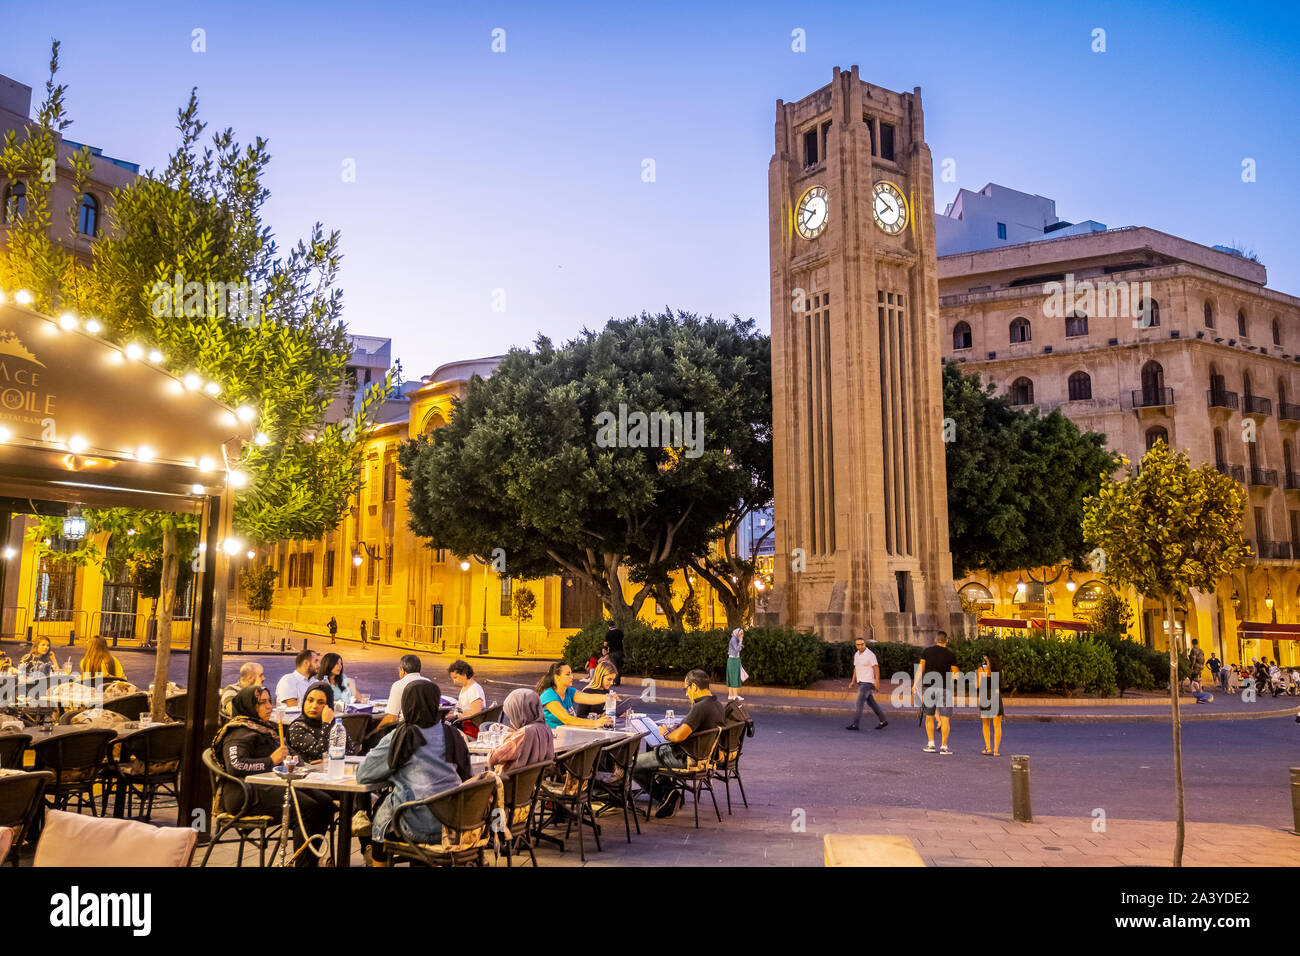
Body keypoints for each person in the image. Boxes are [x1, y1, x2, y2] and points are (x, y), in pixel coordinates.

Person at [211, 686, 334, 866]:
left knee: (325, 803)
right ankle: (302, 864)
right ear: (248, 706)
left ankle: (307, 860)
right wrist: (271, 760)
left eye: (269, 701)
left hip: (269, 786)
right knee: (308, 808)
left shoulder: (263, 728)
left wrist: (294, 760)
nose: (269, 707)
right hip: (244, 793)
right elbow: (236, 766)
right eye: (262, 703)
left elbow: (285, 757)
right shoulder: (238, 731)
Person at [356, 681, 472, 866]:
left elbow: (363, 774)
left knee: (381, 819)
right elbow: (467, 775)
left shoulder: (401, 737)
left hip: (414, 824)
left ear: (406, 705)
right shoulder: (453, 734)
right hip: (453, 824)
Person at [632, 669, 724, 818]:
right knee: (651, 760)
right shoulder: (717, 705)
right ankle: (669, 794)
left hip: (684, 757)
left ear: (694, 687)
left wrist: (666, 733)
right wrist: (677, 729)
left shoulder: (700, 708)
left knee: (633, 764)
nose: (687, 693)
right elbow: (690, 729)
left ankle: (668, 795)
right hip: (701, 757)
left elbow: (679, 737)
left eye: (686, 689)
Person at [287, 682, 359, 762]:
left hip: (334, 770)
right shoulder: (297, 727)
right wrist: (326, 725)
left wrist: (329, 759)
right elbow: (319, 753)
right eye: (310, 700)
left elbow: (350, 752)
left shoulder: (335, 725)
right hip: (309, 772)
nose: (314, 706)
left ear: (329, 706)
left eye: (321, 702)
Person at [488, 688, 556, 771]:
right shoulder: (545, 728)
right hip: (533, 780)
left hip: (511, 781)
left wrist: (509, 738)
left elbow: (493, 757)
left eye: (511, 715)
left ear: (519, 712)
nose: (510, 720)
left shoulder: (523, 734)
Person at [916, 630, 959, 755]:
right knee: (945, 719)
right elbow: (956, 674)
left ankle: (931, 744)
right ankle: (944, 746)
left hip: (929, 688)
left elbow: (920, 670)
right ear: (947, 640)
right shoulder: (951, 655)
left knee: (929, 717)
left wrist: (915, 685)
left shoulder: (927, 652)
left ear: (936, 640)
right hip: (945, 688)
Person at [535, 663, 614, 729]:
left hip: (565, 734)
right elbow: (567, 719)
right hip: (551, 737)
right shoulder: (549, 695)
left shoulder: (568, 691)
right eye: (568, 674)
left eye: (571, 673)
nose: (572, 676)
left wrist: (607, 697)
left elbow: (588, 698)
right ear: (557, 677)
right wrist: (595, 723)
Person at [376, 654, 430, 730]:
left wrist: (375, 730)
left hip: (406, 731)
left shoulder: (398, 685)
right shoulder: (428, 682)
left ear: (403, 670)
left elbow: (391, 718)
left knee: (381, 741)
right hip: (427, 729)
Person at [845, 637, 888, 731]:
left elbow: (876, 668)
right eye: (858, 644)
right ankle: (883, 720)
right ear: (856, 645)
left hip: (868, 682)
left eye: (862, 644)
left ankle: (855, 724)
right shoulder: (857, 654)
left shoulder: (870, 654)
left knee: (859, 703)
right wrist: (852, 681)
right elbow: (856, 668)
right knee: (872, 703)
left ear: (865, 644)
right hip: (861, 682)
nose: (860, 646)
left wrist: (877, 683)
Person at [576, 641, 619, 717]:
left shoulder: (606, 690)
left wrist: (619, 714)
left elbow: (607, 712)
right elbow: (580, 716)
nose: (612, 683)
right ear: (600, 676)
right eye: (609, 679)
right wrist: (600, 716)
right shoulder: (587, 691)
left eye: (613, 680)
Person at [977, 649, 1004, 756]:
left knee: (985, 724)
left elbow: (978, 686)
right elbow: (1001, 684)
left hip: (985, 696)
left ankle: (988, 748)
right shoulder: (999, 670)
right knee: (997, 725)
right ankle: (996, 750)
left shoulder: (981, 670)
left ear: (987, 658)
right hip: (996, 696)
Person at [726, 628, 745, 702]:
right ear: (737, 633)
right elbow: (737, 649)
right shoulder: (734, 639)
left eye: (743, 633)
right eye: (741, 633)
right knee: (734, 677)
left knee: (732, 677)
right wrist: (740, 641)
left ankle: (731, 695)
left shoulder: (734, 639)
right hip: (734, 660)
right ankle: (735, 695)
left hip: (733, 660)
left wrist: (740, 642)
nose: (742, 635)